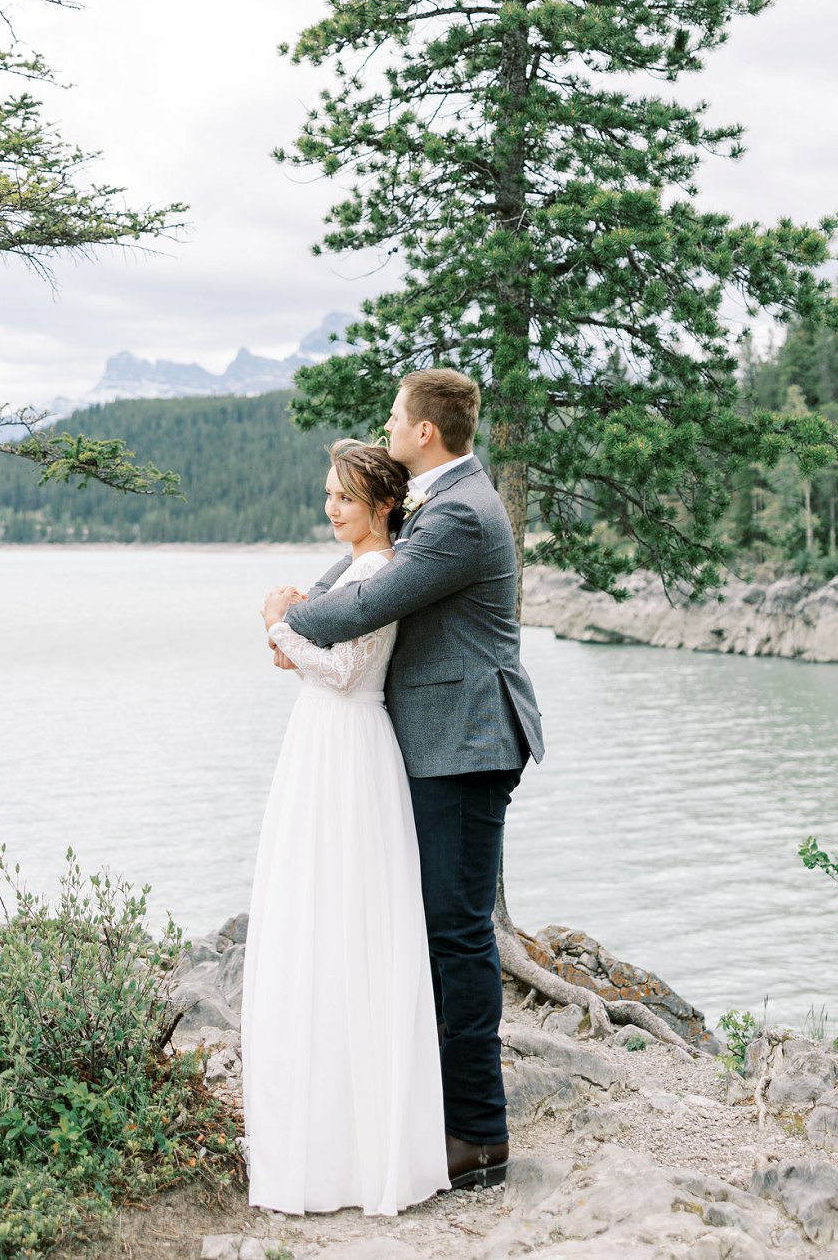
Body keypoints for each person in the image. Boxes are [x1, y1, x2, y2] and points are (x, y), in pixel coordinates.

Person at [263, 368, 544, 1192]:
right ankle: (427, 1114)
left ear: (425, 431)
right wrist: (301, 611)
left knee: (455, 933)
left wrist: (282, 621)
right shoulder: (438, 502)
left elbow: (367, 604)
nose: (386, 425)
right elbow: (359, 573)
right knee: (425, 928)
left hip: (465, 740)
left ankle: (481, 1137)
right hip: (438, 741)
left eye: (394, 415)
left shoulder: (459, 513)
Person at [241, 439, 449, 1216]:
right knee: (316, 917)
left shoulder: (379, 573)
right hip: (324, 745)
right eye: (329, 494)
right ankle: (320, 1130)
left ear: (382, 507)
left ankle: (345, 1154)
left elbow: (346, 672)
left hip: (349, 744)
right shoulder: (357, 570)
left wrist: (277, 628)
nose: (331, 508)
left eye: (346, 499)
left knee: (342, 920)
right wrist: (293, 639)